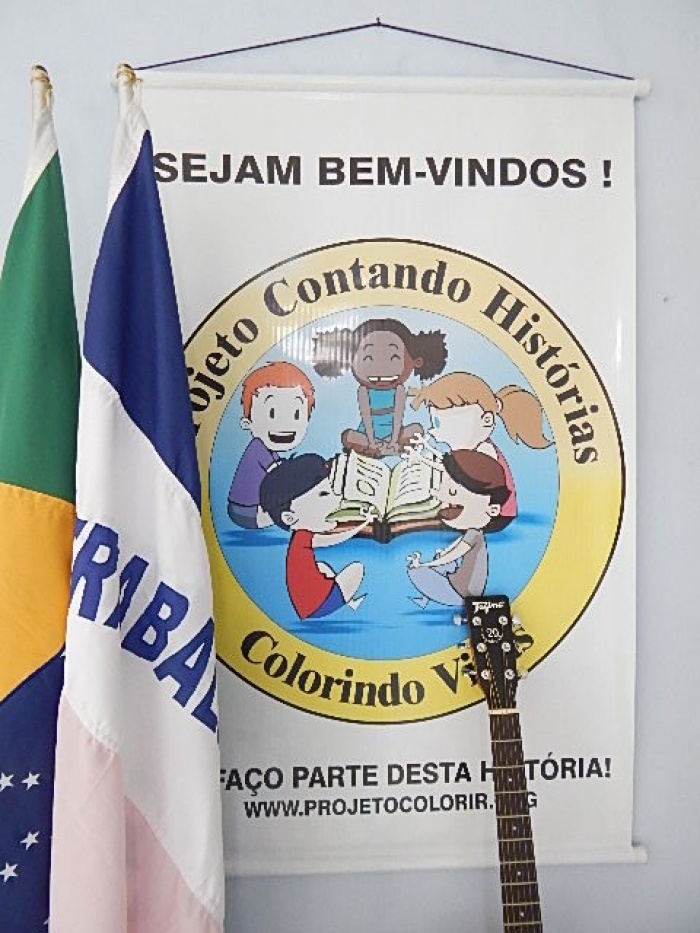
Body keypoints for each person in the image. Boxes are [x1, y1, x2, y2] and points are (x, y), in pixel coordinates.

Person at [408, 371, 552, 527]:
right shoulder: (466, 452)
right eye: (436, 424)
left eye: (453, 426)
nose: (435, 432)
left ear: (486, 420)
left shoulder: (484, 452)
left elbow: (474, 485)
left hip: (495, 514)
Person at [259, 454, 376, 620]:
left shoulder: (299, 538)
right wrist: (363, 525)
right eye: (323, 494)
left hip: (306, 605)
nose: (337, 498)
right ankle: (345, 600)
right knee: (357, 568)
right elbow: (334, 538)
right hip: (319, 603)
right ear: (290, 518)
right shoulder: (304, 538)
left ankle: (350, 602)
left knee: (321, 566)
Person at [312, 318, 447, 458]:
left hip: (395, 435)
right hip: (367, 435)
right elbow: (366, 417)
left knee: (417, 430)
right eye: (368, 358)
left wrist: (393, 441)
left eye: (394, 357)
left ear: (415, 361)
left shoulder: (399, 390)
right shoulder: (363, 391)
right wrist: (372, 442)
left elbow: (398, 417)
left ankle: (381, 450)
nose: (381, 368)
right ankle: (378, 450)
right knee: (349, 437)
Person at [406, 448, 510, 608]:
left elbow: (455, 553)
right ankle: (424, 599)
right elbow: (456, 547)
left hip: (461, 594)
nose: (437, 495)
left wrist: (425, 565)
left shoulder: (474, 535)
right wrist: (442, 555)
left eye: (452, 492)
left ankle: (426, 595)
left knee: (415, 571)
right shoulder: (474, 533)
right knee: (440, 558)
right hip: (458, 585)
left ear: (493, 510)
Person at [227, 361, 315, 528]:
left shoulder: (269, 451)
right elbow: (279, 476)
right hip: (246, 511)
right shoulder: (257, 449)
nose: (284, 424)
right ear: (247, 423)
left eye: (296, 414)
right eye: (272, 413)